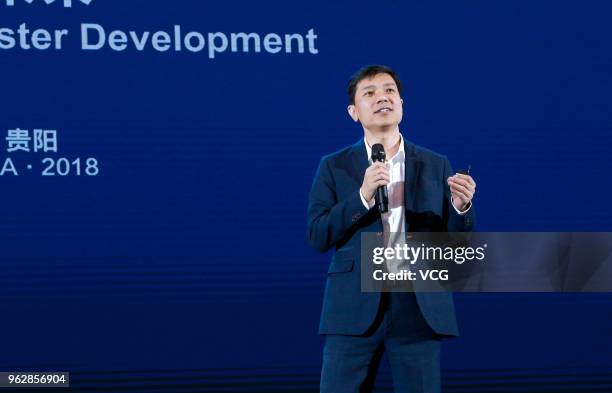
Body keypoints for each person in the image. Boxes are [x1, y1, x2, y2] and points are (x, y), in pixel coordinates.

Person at [307, 65, 477, 393]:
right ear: (354, 112)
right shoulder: (334, 166)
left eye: (389, 91)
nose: (382, 97)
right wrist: (362, 196)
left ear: (401, 103)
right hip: (353, 307)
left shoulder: (435, 163)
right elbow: (317, 235)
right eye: (369, 93)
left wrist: (461, 207)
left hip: (417, 307)